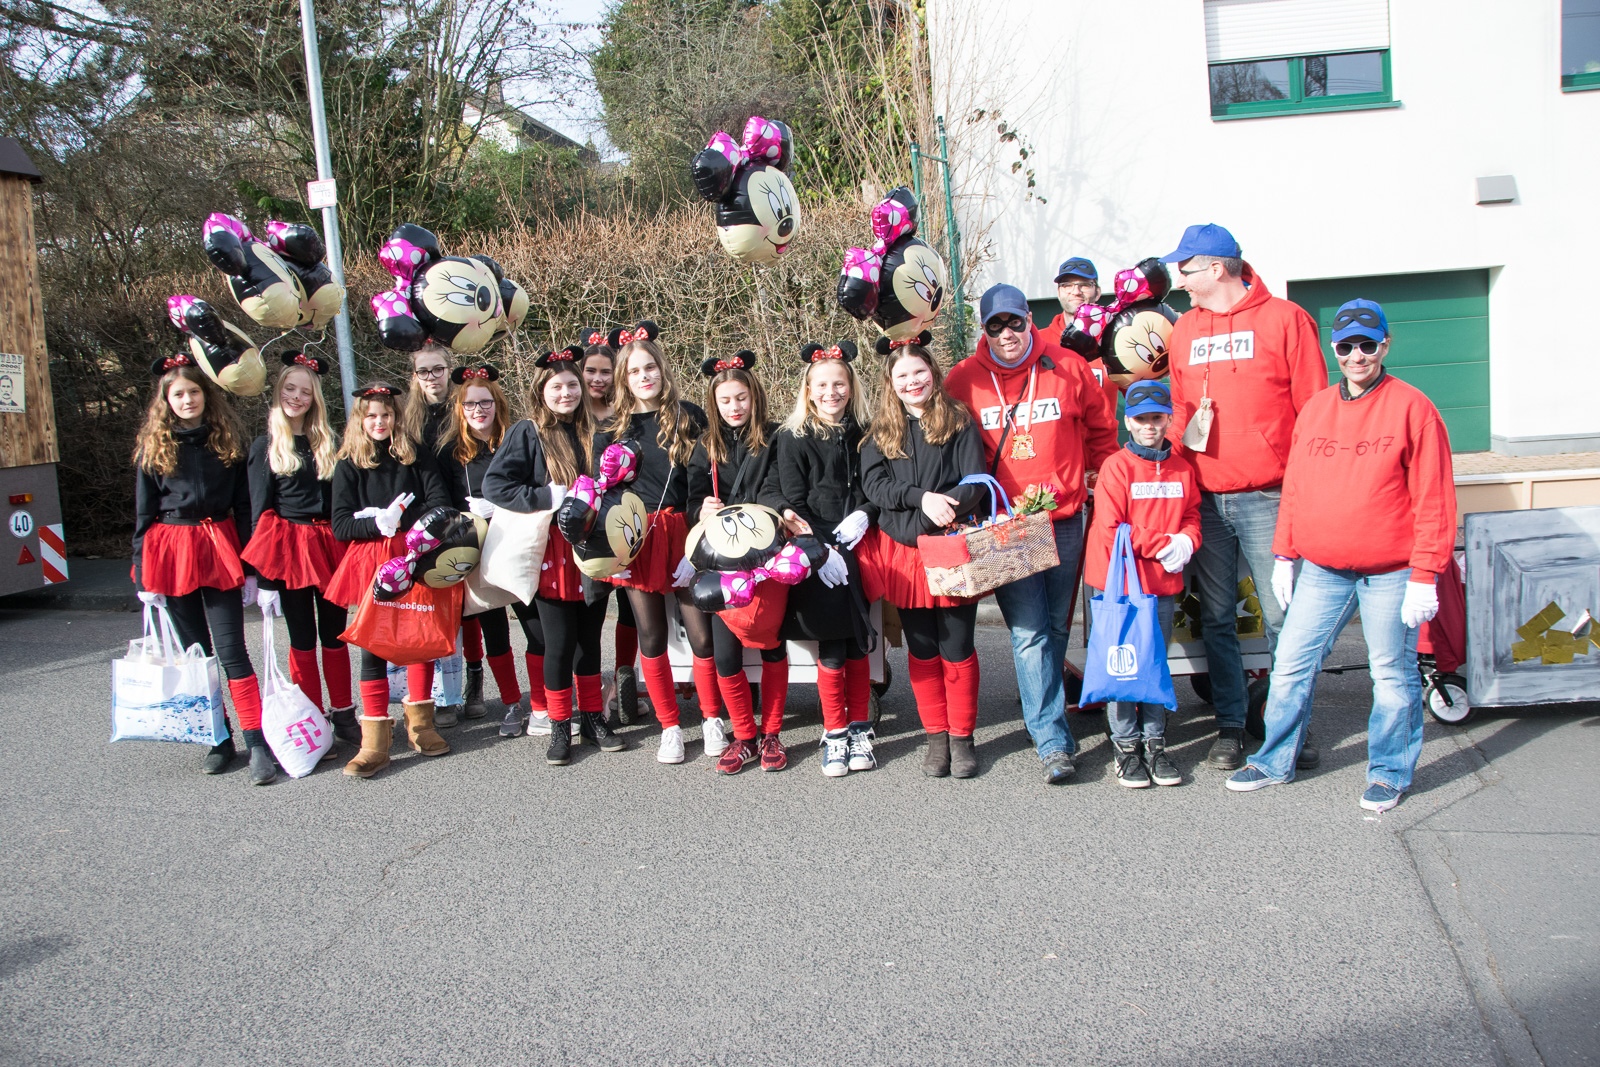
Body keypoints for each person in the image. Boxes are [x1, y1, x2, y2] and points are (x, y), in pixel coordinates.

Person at [1227, 300, 1455, 812]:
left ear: (1385, 346)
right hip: (1323, 569)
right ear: (1334, 349)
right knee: (1290, 664)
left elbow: (1435, 499)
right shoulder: (1316, 409)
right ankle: (1273, 760)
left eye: (1367, 345)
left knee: (1390, 675)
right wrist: (1284, 553)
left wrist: (1426, 574)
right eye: (1347, 346)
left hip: (1391, 571)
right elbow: (1296, 487)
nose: (1357, 356)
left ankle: (1389, 772)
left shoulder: (1413, 408)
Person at [1161, 223, 1327, 772]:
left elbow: (1314, 413)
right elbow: (1180, 410)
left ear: (1216, 268)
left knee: (1284, 620)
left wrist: (1305, 492)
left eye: (1186, 269)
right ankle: (1231, 726)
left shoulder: (1286, 320)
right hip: (1205, 499)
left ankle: (1288, 728)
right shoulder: (1184, 329)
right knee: (1216, 620)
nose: (1179, 280)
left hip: (1269, 497)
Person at [946, 284, 1119, 784]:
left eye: (1014, 322)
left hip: (1064, 518)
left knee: (1057, 628)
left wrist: (1102, 481)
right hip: (1008, 527)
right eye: (995, 325)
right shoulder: (963, 378)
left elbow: (1102, 431)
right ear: (984, 330)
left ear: (1029, 319)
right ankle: (1051, 740)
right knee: (1029, 632)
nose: (1006, 334)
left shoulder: (1068, 366)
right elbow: (941, 437)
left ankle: (1043, 711)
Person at [132, 354, 271, 783]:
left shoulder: (226, 442)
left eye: (193, 391)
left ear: (206, 395)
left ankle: (256, 740)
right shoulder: (154, 448)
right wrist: (143, 573)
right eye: (178, 394)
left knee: (232, 651)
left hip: (219, 548)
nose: (187, 400)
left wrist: (251, 568)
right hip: (171, 552)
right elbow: (144, 514)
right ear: (166, 400)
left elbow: (245, 507)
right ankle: (218, 738)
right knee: (197, 655)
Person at [483, 347, 625, 764]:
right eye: (557, 387)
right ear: (541, 391)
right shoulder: (527, 432)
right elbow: (496, 485)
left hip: (592, 550)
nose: (566, 393)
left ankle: (594, 718)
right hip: (551, 553)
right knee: (559, 645)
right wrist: (547, 496)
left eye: (572, 385)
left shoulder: (596, 431)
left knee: (590, 643)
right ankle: (561, 725)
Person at [859, 343, 988, 778]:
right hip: (906, 553)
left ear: (932, 372)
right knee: (923, 648)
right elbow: (875, 487)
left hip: (950, 545)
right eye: (902, 376)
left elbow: (975, 481)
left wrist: (939, 511)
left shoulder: (959, 420)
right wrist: (921, 499)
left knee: (957, 646)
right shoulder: (880, 431)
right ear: (891, 383)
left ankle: (962, 737)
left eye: (919, 372)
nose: (912, 382)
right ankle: (936, 737)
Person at [600, 322, 722, 764]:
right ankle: (670, 726)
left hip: (684, 530)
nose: (644, 376)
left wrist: (698, 534)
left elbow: (703, 479)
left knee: (701, 634)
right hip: (638, 536)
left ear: (662, 369)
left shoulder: (688, 416)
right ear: (624, 378)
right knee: (650, 635)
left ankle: (711, 718)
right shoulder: (612, 428)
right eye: (634, 371)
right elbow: (605, 492)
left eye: (650, 367)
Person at [762, 340, 880, 777]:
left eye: (840, 383)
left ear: (851, 386)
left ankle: (860, 728)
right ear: (809, 390)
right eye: (823, 385)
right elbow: (792, 499)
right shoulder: (792, 436)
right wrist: (821, 548)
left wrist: (866, 513)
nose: (832, 392)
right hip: (817, 550)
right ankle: (834, 732)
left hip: (857, 545)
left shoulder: (866, 431)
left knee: (858, 641)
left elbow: (874, 486)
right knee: (830, 644)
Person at [326, 383, 453, 777]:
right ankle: (374, 741)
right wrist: (375, 521)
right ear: (360, 420)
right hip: (373, 560)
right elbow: (340, 524)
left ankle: (421, 726)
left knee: (418, 636)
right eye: (371, 416)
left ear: (397, 417)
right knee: (374, 644)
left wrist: (407, 522)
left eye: (386, 415)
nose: (379, 422)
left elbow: (439, 502)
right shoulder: (348, 464)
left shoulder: (416, 455)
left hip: (414, 553)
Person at [1082, 381, 1200, 788]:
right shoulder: (1117, 467)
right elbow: (1111, 527)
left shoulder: (1182, 468)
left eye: (1157, 418)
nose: (1149, 426)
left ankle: (1155, 743)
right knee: (1123, 666)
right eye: (1141, 419)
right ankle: (1126, 746)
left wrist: (1188, 540)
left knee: (1154, 664)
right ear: (1128, 423)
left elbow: (1192, 515)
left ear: (1169, 420)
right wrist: (1165, 544)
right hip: (1119, 586)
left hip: (1161, 584)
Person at [686, 350, 797, 774]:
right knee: (726, 656)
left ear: (755, 397)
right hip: (722, 564)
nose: (734, 407)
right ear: (714, 403)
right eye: (725, 400)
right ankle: (744, 736)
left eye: (741, 398)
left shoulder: (776, 437)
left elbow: (779, 486)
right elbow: (691, 499)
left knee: (772, 645)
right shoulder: (705, 446)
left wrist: (780, 510)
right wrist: (701, 509)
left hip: (768, 556)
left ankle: (772, 733)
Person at [242, 352, 356, 748]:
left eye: (305, 392)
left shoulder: (328, 442)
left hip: (329, 546)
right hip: (290, 549)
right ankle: (313, 715)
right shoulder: (267, 445)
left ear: (315, 398)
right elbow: (260, 513)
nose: (296, 397)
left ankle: (344, 713)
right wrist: (263, 578)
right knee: (302, 637)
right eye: (290, 389)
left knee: (335, 634)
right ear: (278, 392)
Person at [435, 364, 524, 728]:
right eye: (470, 404)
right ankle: (508, 701)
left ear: (497, 404)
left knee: (531, 628)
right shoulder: (450, 453)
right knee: (489, 628)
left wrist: (503, 506)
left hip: (514, 545)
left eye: (485, 402)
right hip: (473, 550)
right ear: (460, 409)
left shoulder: (515, 442)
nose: (478, 410)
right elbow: (440, 504)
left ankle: (541, 703)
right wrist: (463, 517)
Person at [397, 343, 469, 720]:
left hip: (463, 517)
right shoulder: (407, 418)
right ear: (415, 376)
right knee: (430, 610)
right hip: (424, 521)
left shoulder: (463, 409)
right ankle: (435, 695)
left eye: (438, 369)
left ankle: (470, 682)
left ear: (448, 370)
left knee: (468, 610)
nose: (431, 378)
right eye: (423, 371)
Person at [578, 329, 639, 725]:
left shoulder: (627, 415)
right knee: (592, 608)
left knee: (631, 609)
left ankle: (621, 681)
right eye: (591, 371)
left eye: (606, 371)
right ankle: (590, 696)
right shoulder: (572, 415)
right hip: (587, 525)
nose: (598, 379)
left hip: (627, 521)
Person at [1044, 257, 1118, 418]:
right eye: (1067, 285)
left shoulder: (1116, 339)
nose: (1076, 291)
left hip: (1101, 434)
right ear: (1059, 292)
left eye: (1084, 285)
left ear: (1097, 292)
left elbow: (1140, 396)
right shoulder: (1039, 342)